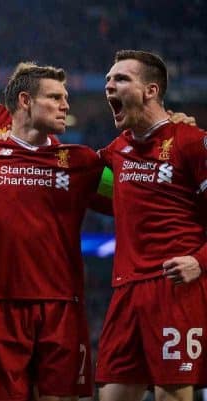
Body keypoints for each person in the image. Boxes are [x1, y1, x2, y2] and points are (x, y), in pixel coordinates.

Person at [0, 62, 114, 401]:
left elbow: (138, 192)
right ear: (25, 100)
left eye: (66, 97)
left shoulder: (81, 161)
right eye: (55, 97)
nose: (66, 105)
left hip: (63, 308)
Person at [96, 50, 207, 401]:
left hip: (174, 287)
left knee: (170, 395)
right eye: (107, 81)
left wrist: (199, 262)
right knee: (112, 395)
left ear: (151, 90)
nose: (109, 86)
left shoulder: (192, 143)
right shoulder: (117, 149)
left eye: (120, 79)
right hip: (126, 289)